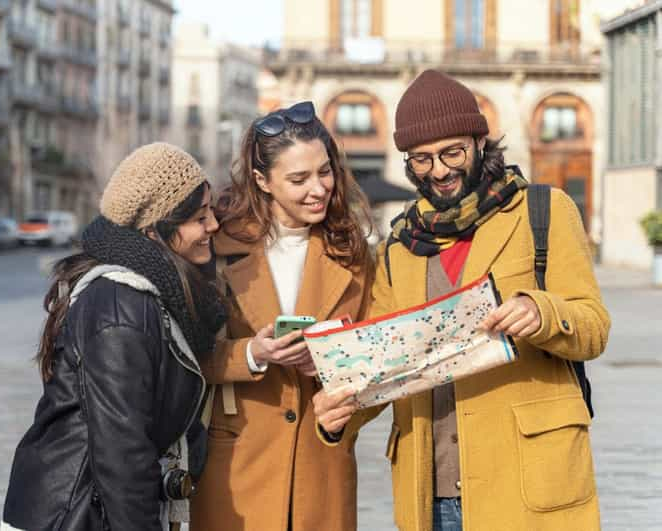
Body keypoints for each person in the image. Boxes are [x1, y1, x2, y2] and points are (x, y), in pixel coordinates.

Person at [314, 70, 610, 531]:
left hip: (529, 481)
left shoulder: (543, 211)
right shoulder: (398, 246)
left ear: (478, 141)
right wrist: (339, 414)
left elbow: (593, 326)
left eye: (452, 152)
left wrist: (542, 312)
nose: (439, 170)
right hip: (428, 492)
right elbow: (384, 366)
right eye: (421, 159)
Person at [1, 143, 227, 531]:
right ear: (156, 229)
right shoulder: (121, 304)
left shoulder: (159, 292)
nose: (213, 227)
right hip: (73, 515)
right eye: (199, 217)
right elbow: (122, 454)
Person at [189, 101, 375, 531]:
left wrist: (335, 365)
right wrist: (252, 353)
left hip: (322, 465)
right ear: (262, 180)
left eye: (325, 172)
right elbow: (181, 357)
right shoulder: (213, 251)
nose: (319, 189)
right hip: (236, 467)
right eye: (299, 179)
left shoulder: (354, 253)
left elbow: (375, 358)